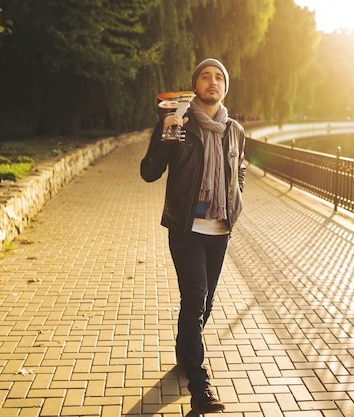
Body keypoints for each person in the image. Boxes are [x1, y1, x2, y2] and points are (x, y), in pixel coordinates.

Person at [140, 58, 246, 414]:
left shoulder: (235, 130)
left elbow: (238, 171)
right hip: (186, 227)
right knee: (195, 298)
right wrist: (164, 133)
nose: (212, 81)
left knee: (206, 303)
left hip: (219, 229)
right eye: (206, 76)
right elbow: (149, 172)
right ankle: (200, 387)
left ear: (225, 87)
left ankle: (185, 352)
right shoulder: (179, 123)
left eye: (219, 77)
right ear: (195, 85)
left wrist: (236, 202)